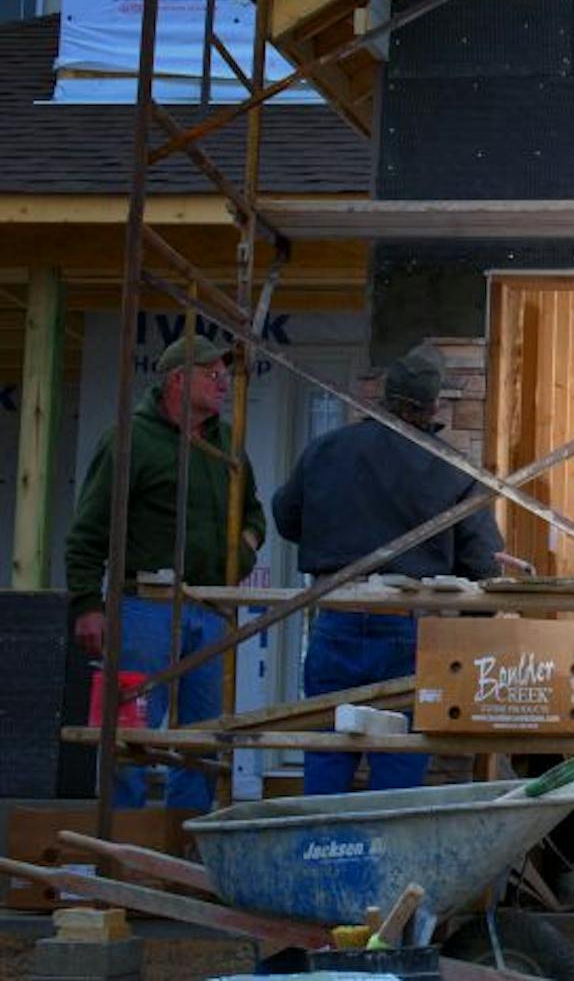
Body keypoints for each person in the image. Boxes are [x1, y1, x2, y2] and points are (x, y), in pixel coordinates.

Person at [273, 344, 505, 794]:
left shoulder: (326, 450)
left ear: (383, 395)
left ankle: (319, 854)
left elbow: (287, 517)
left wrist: (336, 543)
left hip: (336, 618)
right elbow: (482, 562)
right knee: (398, 759)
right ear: (434, 405)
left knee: (326, 749)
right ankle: (388, 858)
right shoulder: (451, 468)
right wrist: (474, 626)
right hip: (404, 630)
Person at [66, 333, 265, 810]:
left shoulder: (226, 447)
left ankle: (183, 840)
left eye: (225, 375)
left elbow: (253, 513)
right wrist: (88, 604)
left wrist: (244, 549)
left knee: (203, 734)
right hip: (144, 605)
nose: (223, 384)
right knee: (130, 730)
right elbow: (91, 527)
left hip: (211, 606)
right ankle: (123, 843)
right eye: (212, 374)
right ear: (179, 379)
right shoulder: (131, 441)